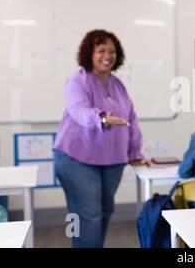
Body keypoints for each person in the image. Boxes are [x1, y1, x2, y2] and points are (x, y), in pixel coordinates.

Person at [53, 29, 145, 248]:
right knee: (88, 215)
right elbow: (79, 110)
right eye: (101, 50)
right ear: (89, 54)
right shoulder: (78, 80)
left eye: (112, 51)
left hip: (112, 160)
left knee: (104, 211)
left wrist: (134, 153)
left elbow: (130, 119)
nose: (107, 55)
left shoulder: (118, 85)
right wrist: (101, 118)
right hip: (75, 159)